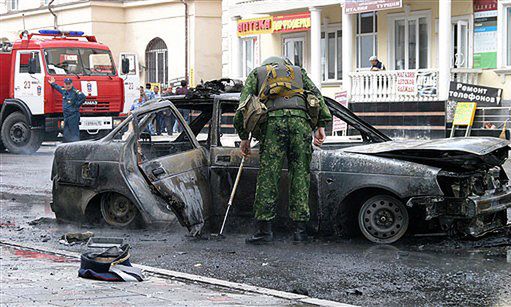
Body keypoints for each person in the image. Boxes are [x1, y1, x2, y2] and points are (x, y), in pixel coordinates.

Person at [234, 56, 332, 244]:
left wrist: (244, 137)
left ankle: (265, 232)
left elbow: (243, 105)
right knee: (300, 175)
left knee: (268, 176)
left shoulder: (257, 73)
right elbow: (317, 96)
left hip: (273, 125)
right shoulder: (298, 72)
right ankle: (300, 232)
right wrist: (321, 125)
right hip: (300, 125)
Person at [48, 77, 86, 143]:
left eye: (69, 84)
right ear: (64, 84)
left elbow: (83, 97)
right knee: (66, 132)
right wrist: (53, 83)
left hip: (73, 115)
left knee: (74, 132)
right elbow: (58, 88)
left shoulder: (75, 92)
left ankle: (75, 145)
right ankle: (67, 145)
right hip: (66, 116)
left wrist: (77, 105)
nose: (68, 85)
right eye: (66, 84)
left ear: (72, 84)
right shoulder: (64, 91)